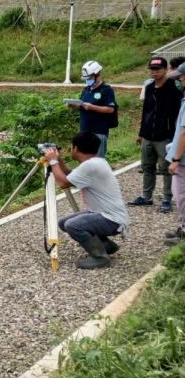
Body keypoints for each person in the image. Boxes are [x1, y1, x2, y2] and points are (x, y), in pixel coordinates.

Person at [43, 131, 129, 269]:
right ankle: (106, 246)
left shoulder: (90, 166)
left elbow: (64, 183)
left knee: (73, 225)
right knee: (64, 223)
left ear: (76, 148)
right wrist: (58, 160)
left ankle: (100, 257)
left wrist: (52, 161)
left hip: (111, 219)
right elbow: (71, 175)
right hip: (105, 214)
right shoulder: (97, 162)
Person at [128, 56, 182, 212]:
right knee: (147, 166)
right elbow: (146, 111)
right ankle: (146, 196)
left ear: (165, 70)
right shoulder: (150, 87)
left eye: (158, 69)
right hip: (147, 135)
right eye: (152, 69)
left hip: (165, 136)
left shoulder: (173, 89)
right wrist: (140, 132)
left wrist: (174, 136)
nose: (154, 72)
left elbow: (178, 114)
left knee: (166, 168)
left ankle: (167, 198)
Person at [66, 60, 117, 157]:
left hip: (98, 133)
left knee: (97, 162)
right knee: (84, 162)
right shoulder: (86, 90)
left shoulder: (106, 90)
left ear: (98, 74)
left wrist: (91, 107)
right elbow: (82, 106)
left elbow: (110, 109)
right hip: (84, 132)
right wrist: (73, 105)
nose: (88, 80)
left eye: (89, 78)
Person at [165, 58, 185, 245]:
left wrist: (176, 158)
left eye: (180, 77)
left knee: (181, 195)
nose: (179, 81)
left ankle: (184, 232)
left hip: (183, 160)